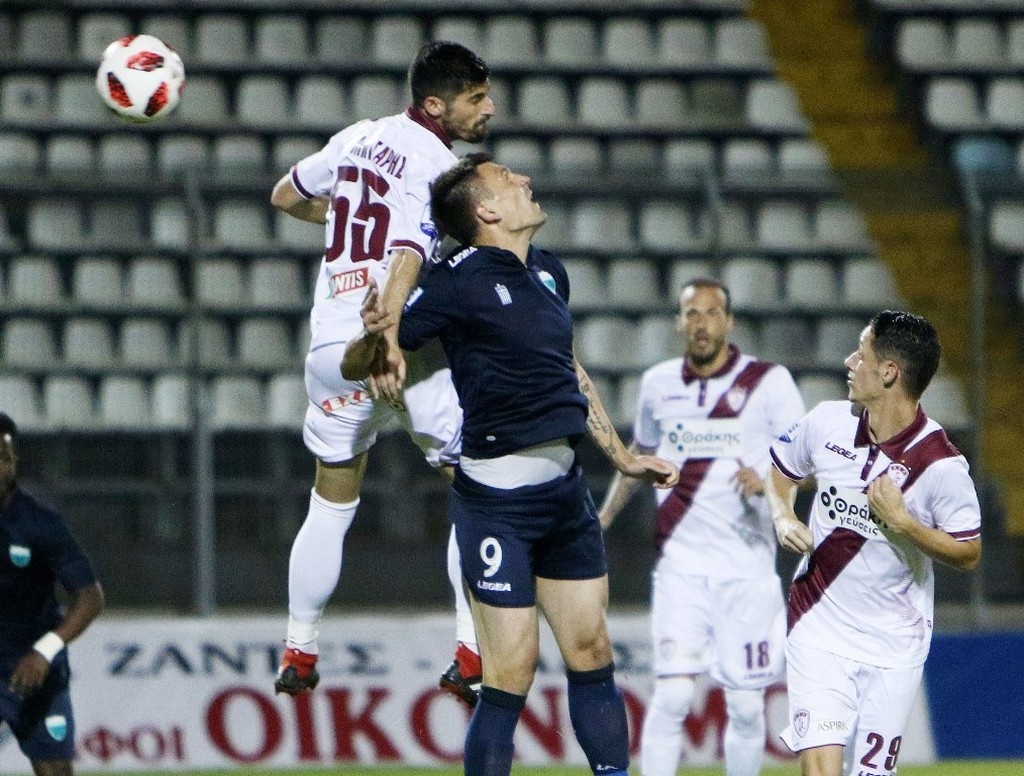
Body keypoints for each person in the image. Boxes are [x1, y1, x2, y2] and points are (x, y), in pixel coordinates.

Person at [343, 152, 679, 776]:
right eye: (507, 180)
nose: (525, 180)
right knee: (511, 673)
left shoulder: (549, 273)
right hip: (498, 507)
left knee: (592, 649)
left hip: (565, 498)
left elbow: (569, 370)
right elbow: (365, 360)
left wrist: (623, 456)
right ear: (486, 210)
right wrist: (374, 339)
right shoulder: (455, 278)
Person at [269, 41, 493, 696]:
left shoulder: (358, 138)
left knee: (332, 499)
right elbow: (405, 252)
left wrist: (340, 222)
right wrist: (390, 332)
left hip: (330, 351)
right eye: (476, 98)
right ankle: (471, 648)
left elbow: (285, 195)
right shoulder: (440, 165)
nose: (488, 108)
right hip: (401, 342)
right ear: (436, 104)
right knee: (475, 481)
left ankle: (299, 648)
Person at [598, 279, 806, 776]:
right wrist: (602, 519)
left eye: (712, 313)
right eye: (691, 313)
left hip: (747, 569)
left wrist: (768, 484)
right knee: (670, 697)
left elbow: (806, 457)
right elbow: (636, 461)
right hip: (680, 569)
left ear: (729, 321)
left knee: (747, 707)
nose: (701, 323)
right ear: (678, 321)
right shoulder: (657, 384)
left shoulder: (768, 382)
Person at [766, 311, 982, 776]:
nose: (848, 361)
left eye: (860, 354)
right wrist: (783, 515)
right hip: (818, 624)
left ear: (889, 372)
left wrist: (905, 524)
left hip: (895, 641)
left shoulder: (941, 464)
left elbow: (969, 551)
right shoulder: (828, 422)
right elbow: (782, 468)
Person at [0, 413, 105, 776]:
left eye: (2, 457)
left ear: (14, 462)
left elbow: (90, 597)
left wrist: (45, 651)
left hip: (34, 670)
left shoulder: (41, 523)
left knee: (55, 770)